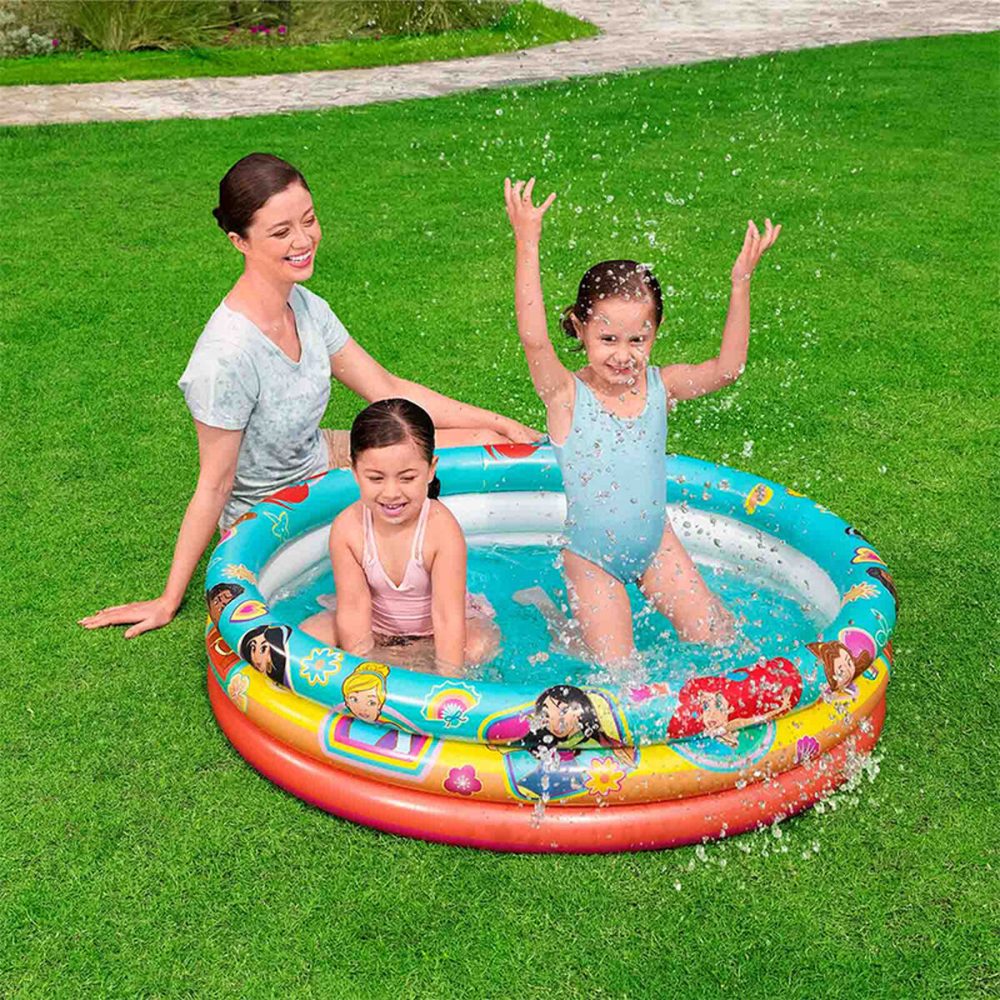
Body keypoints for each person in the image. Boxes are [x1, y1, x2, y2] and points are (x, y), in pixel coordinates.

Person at [79, 153, 535, 639]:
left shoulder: (305, 305)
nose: (303, 241)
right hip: (276, 503)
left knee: (491, 443)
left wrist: (498, 423)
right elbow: (215, 484)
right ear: (239, 241)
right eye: (281, 232)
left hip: (325, 458)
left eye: (309, 220)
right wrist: (170, 598)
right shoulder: (226, 357)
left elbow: (386, 389)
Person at [503, 176, 780, 669]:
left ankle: (578, 633)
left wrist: (741, 283)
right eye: (608, 339)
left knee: (724, 642)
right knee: (621, 673)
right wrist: (527, 242)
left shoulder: (661, 385)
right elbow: (534, 340)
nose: (624, 355)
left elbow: (727, 369)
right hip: (593, 561)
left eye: (638, 340)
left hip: (656, 547)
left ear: (655, 332)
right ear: (581, 328)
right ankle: (560, 624)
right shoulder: (566, 395)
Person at [300, 398, 500, 675]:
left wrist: (448, 681)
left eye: (407, 478)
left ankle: (405, 661)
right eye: (376, 478)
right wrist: (363, 671)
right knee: (307, 637)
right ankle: (407, 661)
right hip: (376, 627)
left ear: (430, 469)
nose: (391, 493)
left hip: (433, 631)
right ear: (354, 471)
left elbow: (447, 617)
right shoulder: (348, 529)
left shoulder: (441, 531)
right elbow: (354, 608)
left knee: (477, 647)